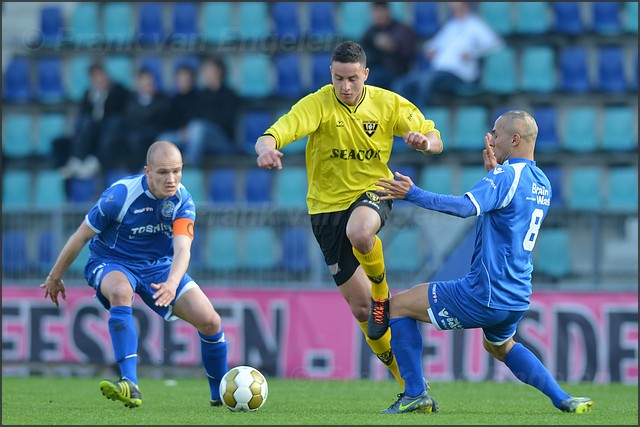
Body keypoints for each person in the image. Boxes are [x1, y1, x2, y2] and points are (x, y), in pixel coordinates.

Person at [374, 110, 594, 414]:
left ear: (514, 139)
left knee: (398, 306)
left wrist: (413, 194)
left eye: (497, 132)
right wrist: (493, 174)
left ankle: (414, 394)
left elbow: (466, 208)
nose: (491, 138)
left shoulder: (507, 177)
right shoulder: (542, 181)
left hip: (485, 292)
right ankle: (562, 398)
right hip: (516, 296)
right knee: (500, 347)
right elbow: (507, 212)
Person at [254, 40, 444, 389]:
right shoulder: (319, 103)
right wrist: (266, 148)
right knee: (360, 310)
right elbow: (279, 130)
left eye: (353, 78)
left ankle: (383, 295)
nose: (345, 86)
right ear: (331, 73)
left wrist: (425, 142)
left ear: (365, 74)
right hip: (325, 210)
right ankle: (410, 387)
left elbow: (435, 137)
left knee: (360, 232)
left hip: (374, 192)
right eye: (339, 78)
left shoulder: (387, 103)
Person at [40, 141, 228, 409]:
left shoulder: (183, 200)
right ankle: (130, 382)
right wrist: (55, 276)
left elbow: (183, 249)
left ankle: (220, 395)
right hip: (111, 260)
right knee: (119, 291)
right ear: (147, 172)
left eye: (176, 171)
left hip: (158, 267)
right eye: (163, 172)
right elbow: (81, 235)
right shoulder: (119, 195)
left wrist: (173, 282)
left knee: (210, 321)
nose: (171, 179)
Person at [392, 2, 503, 106]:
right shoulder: (451, 25)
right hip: (437, 71)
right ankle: (401, 119)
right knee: (402, 84)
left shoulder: (475, 25)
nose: (455, 10)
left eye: (458, 7)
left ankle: (417, 120)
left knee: (426, 82)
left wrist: (472, 53)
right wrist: (430, 50)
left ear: (466, 6)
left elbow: (496, 44)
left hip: (458, 74)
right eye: (453, 9)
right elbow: (432, 44)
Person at [58, 62, 130, 179]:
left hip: (111, 126)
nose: (98, 79)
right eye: (94, 77)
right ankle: (77, 159)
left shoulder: (118, 90)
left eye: (100, 75)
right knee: (85, 123)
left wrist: (105, 94)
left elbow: (120, 112)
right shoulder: (89, 93)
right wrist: (96, 97)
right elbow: (84, 113)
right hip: (94, 127)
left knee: (111, 126)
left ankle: (96, 161)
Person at [116, 68, 171, 171]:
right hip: (136, 132)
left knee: (138, 138)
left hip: (154, 132)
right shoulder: (132, 100)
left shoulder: (162, 99)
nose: (148, 84)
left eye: (150, 81)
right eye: (144, 81)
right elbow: (130, 118)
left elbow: (161, 119)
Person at [360, 1, 417, 90]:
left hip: (397, 72)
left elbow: (409, 54)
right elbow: (363, 53)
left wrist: (393, 47)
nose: (378, 15)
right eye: (376, 12)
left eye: (381, 11)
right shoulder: (370, 32)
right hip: (374, 70)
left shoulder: (402, 30)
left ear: (387, 12)